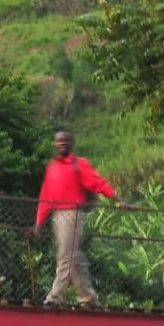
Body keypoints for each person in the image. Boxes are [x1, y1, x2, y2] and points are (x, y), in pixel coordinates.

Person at [35, 130, 116, 307]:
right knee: (73, 257)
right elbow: (45, 196)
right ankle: (89, 297)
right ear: (55, 144)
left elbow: (97, 182)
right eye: (58, 141)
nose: (62, 143)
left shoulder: (79, 164)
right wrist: (39, 222)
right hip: (58, 215)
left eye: (65, 140)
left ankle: (55, 297)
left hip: (73, 214)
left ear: (71, 143)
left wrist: (116, 197)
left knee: (65, 256)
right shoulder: (53, 167)